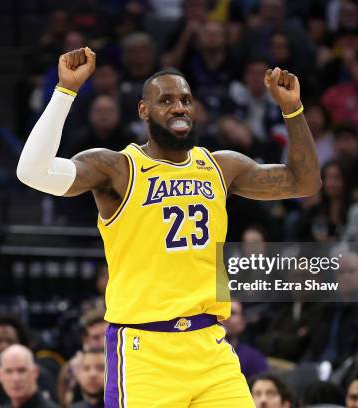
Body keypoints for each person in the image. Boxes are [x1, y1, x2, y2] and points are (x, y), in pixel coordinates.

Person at [17, 47, 321, 407]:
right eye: (166, 100)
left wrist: (292, 109)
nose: (179, 107)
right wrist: (65, 91)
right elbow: (32, 172)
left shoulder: (221, 167)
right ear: (144, 111)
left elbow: (304, 182)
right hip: (146, 351)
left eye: (186, 99)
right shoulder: (117, 168)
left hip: (210, 346)